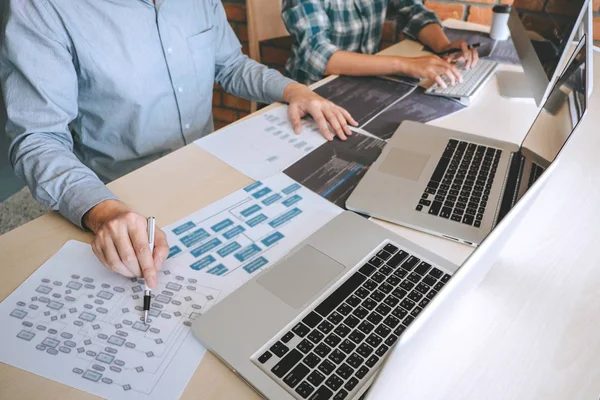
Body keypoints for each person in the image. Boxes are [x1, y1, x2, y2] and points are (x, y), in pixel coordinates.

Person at [0, 0, 357, 288]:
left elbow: (230, 65)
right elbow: (38, 137)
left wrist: (293, 90)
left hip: (211, 171)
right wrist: (104, 210)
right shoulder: (41, 8)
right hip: (123, 196)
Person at [282, 0, 479, 87]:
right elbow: (320, 56)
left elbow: (412, 10)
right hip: (313, 89)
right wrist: (405, 65)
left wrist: (443, 47)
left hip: (365, 81)